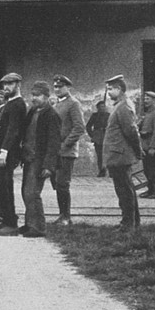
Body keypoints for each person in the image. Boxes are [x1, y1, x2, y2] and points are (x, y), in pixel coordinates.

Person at [20, 81, 61, 238]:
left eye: (37, 95)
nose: (33, 98)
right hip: (29, 158)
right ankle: (29, 223)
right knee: (25, 192)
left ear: (46, 96)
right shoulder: (33, 112)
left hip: (40, 160)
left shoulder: (51, 115)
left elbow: (54, 143)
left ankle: (39, 227)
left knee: (33, 193)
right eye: (32, 95)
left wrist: (49, 166)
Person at [102, 74, 142, 232]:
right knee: (126, 189)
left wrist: (138, 152)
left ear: (119, 89)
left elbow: (131, 131)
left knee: (124, 191)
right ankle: (132, 222)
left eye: (111, 89)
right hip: (118, 155)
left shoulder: (124, 106)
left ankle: (128, 224)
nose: (109, 92)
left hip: (120, 156)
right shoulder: (120, 105)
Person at [0, 73, 27, 237]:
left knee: (5, 185)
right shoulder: (9, 103)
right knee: (0, 185)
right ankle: (6, 219)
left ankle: (11, 223)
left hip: (9, 152)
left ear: (18, 84)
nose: (6, 87)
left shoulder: (18, 104)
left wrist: (4, 151)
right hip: (3, 150)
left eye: (10, 84)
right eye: (4, 84)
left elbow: (13, 131)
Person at [51, 74, 86, 226]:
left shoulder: (73, 104)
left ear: (68, 87)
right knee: (57, 184)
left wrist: (65, 145)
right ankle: (62, 215)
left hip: (66, 152)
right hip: (55, 152)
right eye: (55, 87)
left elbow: (79, 128)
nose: (57, 89)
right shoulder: (56, 104)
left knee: (62, 184)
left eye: (60, 87)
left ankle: (66, 217)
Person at [138, 91, 155, 199]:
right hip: (145, 145)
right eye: (144, 99)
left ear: (154, 100)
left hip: (152, 146)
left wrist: (153, 147)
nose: (145, 101)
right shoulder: (147, 113)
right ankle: (150, 190)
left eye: (148, 99)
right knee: (147, 169)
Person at [86, 100, 110, 177]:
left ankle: (110, 171)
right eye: (100, 107)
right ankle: (101, 171)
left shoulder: (109, 115)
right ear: (98, 108)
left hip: (107, 136)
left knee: (108, 155)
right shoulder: (94, 116)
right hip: (98, 137)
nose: (102, 108)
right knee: (99, 155)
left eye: (103, 106)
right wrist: (92, 135)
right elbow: (88, 126)